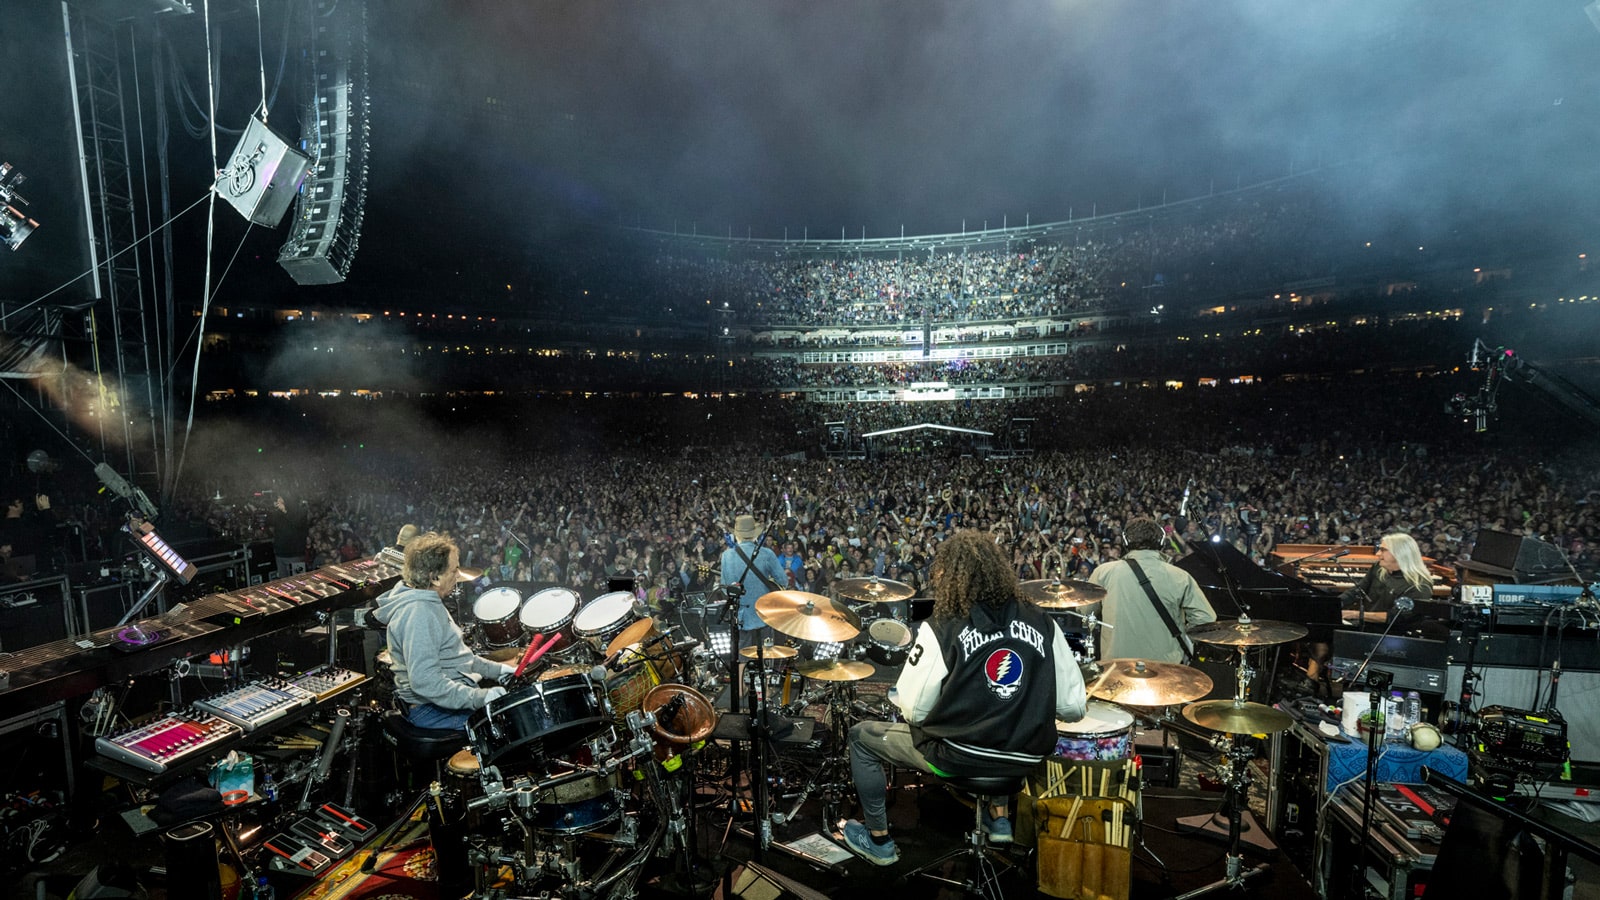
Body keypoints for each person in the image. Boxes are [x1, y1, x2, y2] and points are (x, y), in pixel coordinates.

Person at [840, 530, 1088, 866]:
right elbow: (1073, 708)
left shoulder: (942, 626)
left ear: (950, 576)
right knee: (1004, 714)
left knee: (861, 737)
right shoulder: (1044, 622)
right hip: (1026, 759)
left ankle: (878, 840)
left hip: (960, 758)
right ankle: (998, 817)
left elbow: (914, 708)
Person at [371, 531, 515, 730]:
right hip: (428, 710)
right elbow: (426, 682)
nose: (458, 575)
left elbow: (458, 658)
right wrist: (480, 697)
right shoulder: (419, 612)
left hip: (442, 701)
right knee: (507, 726)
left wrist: (499, 670)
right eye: (454, 570)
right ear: (435, 577)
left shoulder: (427, 601)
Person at [1088, 517, 1216, 663]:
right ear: (1161, 542)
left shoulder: (1103, 573)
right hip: (1166, 667)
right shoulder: (1180, 576)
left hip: (1117, 667)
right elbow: (1206, 619)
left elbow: (1085, 612)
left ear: (1126, 542)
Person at [1340, 532, 1435, 628]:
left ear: (1399, 553)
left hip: (1392, 634)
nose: (1378, 554)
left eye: (1382, 550)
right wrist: (1334, 604)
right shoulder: (1378, 568)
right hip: (1365, 624)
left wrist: (1356, 614)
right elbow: (1357, 591)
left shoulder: (1419, 585)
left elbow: (1396, 617)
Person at [719, 514, 787, 648]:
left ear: (737, 536)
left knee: (743, 656)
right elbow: (783, 581)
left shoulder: (726, 556)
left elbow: (724, 589)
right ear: (755, 535)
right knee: (767, 655)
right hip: (765, 613)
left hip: (741, 616)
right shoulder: (767, 554)